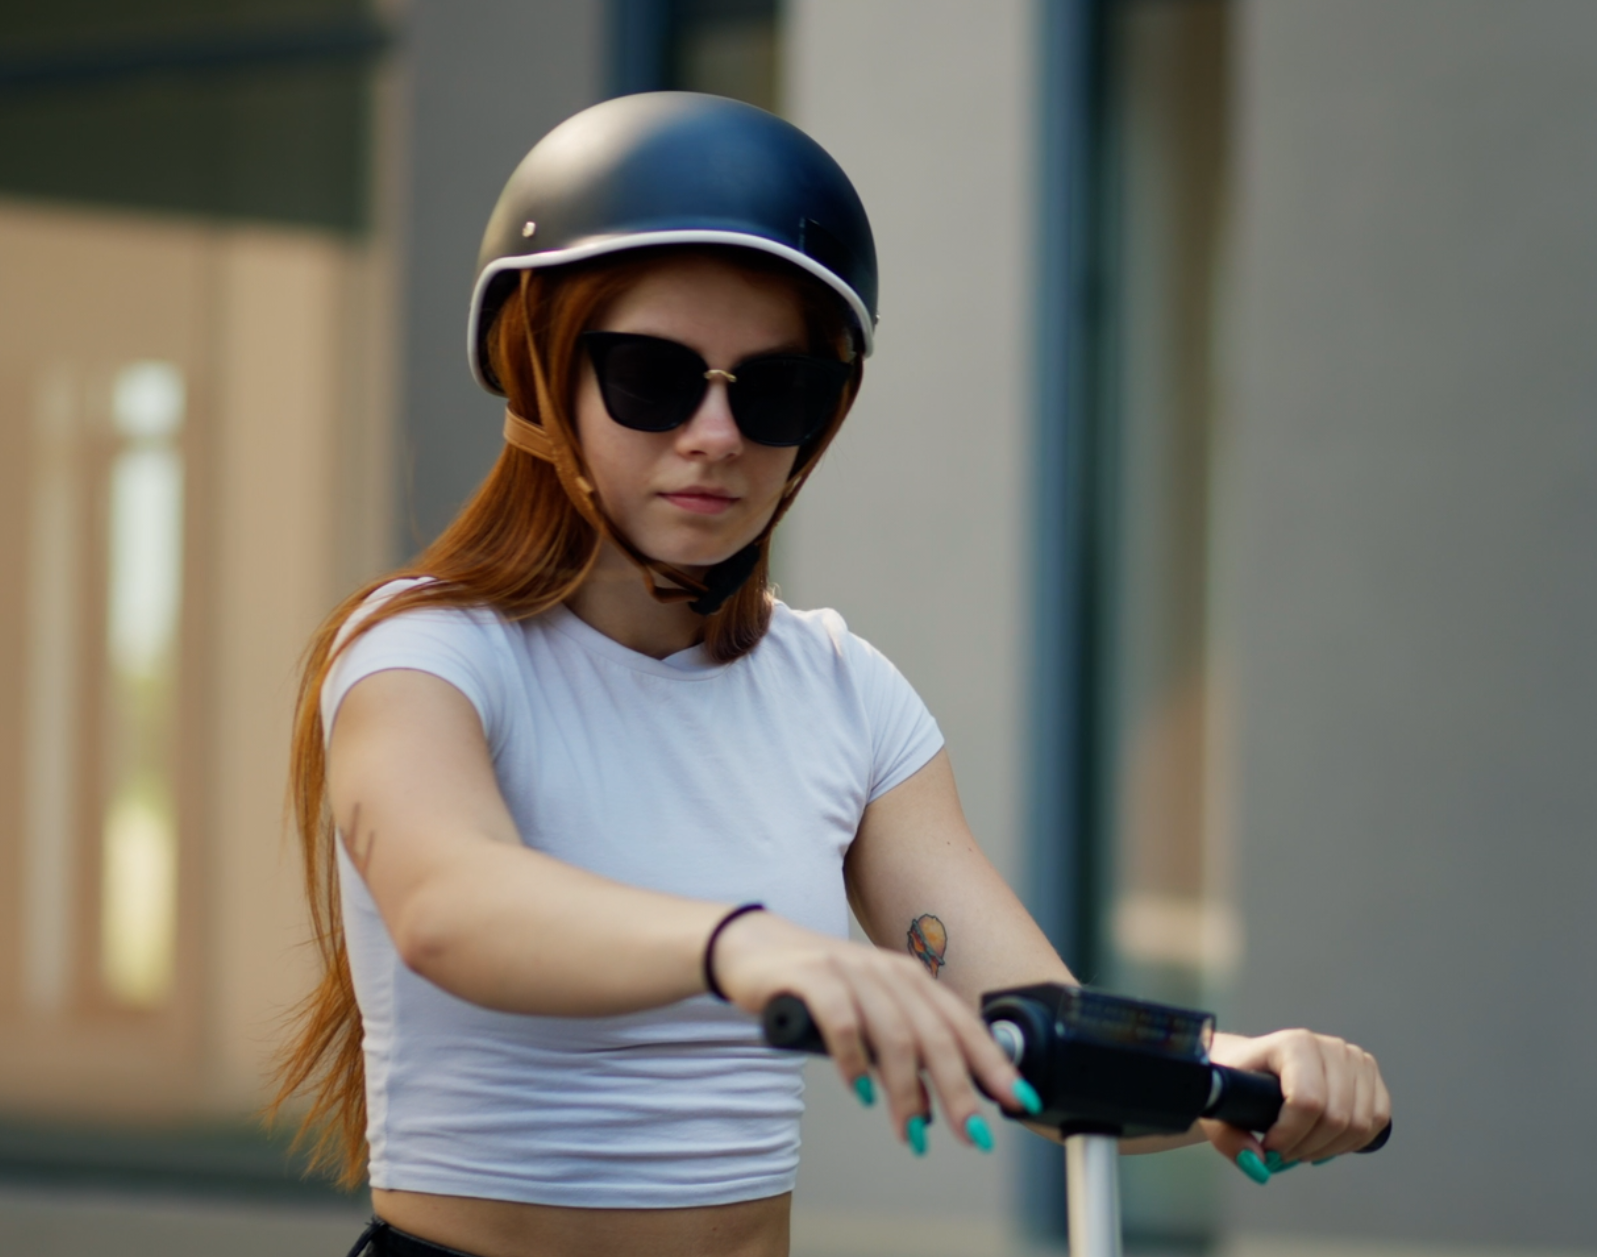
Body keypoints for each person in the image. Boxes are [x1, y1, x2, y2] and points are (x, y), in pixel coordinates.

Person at [272, 93, 1391, 1257]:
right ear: (542, 379)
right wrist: (748, 946)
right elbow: (450, 904)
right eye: (652, 377)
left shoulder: (843, 694)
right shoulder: (426, 649)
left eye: (774, 393)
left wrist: (1230, 1071)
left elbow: (1029, 1032)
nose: (716, 435)